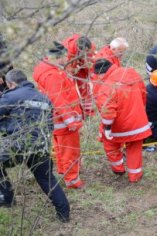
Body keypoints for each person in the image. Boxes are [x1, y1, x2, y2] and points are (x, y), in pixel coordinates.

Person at [0, 69, 70, 222]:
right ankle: (64, 215)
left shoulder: (10, 96)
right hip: (42, 146)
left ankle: (6, 197)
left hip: (18, 145)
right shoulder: (44, 98)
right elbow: (50, 125)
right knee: (47, 180)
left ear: (11, 84)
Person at [33, 41, 85, 189]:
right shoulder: (52, 75)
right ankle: (73, 180)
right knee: (70, 150)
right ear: (59, 56)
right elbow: (59, 100)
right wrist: (71, 122)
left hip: (57, 120)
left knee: (62, 148)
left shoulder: (47, 70)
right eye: (65, 56)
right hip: (64, 121)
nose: (67, 59)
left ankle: (64, 171)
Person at [92, 58, 152, 183]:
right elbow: (143, 94)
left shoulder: (106, 86)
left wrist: (107, 128)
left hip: (119, 126)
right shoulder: (131, 73)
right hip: (138, 122)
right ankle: (135, 176)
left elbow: (108, 112)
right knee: (134, 149)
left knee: (109, 142)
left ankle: (118, 168)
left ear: (101, 73)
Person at [61, 34, 96, 116]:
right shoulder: (67, 50)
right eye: (83, 52)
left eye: (86, 51)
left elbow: (92, 64)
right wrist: (73, 70)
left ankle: (88, 112)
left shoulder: (91, 47)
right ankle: (74, 111)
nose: (85, 53)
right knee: (70, 89)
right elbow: (67, 69)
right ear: (78, 48)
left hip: (81, 64)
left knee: (85, 87)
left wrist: (88, 67)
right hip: (71, 65)